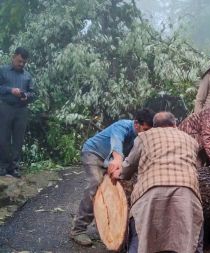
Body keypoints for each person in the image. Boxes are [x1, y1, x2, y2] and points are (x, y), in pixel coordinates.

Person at [112, 112, 203, 253]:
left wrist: (120, 174)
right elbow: (195, 165)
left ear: (154, 126)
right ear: (175, 124)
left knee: (141, 235)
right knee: (193, 233)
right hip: (186, 190)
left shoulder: (144, 137)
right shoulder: (190, 140)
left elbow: (129, 166)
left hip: (150, 191)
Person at [70, 108, 155, 246]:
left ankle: (109, 226)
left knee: (115, 191)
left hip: (108, 160)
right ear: (136, 124)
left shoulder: (143, 135)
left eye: (149, 130)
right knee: (95, 183)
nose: (147, 133)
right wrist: (117, 160)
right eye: (144, 129)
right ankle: (78, 230)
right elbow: (117, 145)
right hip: (93, 153)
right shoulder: (121, 126)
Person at [0, 47, 35, 177]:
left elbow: (33, 93)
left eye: (23, 62)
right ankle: (2, 166)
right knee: (3, 138)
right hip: (5, 108)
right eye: (19, 61)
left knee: (18, 139)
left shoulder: (27, 75)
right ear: (13, 57)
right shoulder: (2, 71)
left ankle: (14, 167)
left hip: (21, 110)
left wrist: (26, 95)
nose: (21, 64)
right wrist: (10, 90)